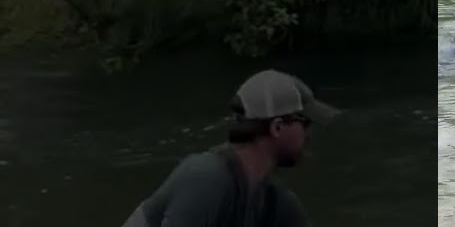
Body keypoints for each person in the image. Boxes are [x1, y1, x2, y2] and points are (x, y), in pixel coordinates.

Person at [120, 69, 339, 226]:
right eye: (306, 124)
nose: (309, 134)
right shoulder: (206, 178)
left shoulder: (277, 204)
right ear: (278, 127)